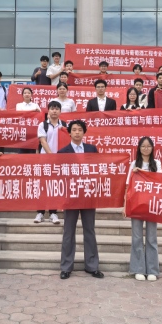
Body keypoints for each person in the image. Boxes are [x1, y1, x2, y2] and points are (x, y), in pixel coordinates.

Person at [58, 120, 103, 280]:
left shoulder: (92, 149)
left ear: (84, 132)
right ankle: (66, 267)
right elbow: (59, 175)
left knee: (89, 230)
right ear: (69, 133)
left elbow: (98, 169)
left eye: (80, 130)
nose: (77, 132)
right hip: (71, 196)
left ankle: (92, 266)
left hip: (88, 195)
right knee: (68, 231)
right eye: (74, 130)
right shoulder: (62, 152)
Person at [123, 136, 162, 281]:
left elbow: (161, 182)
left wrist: (145, 174)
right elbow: (128, 186)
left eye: (148, 146)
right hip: (136, 204)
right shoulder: (134, 164)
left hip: (152, 205)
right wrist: (125, 206)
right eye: (143, 146)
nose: (146, 149)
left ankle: (152, 270)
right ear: (139, 148)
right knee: (137, 237)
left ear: (152, 148)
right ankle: (138, 269)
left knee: (151, 238)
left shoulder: (157, 163)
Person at [34, 101, 66, 225]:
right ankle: (40, 213)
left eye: (57, 109)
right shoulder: (43, 125)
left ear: (60, 111)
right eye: (52, 108)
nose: (54, 111)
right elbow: (43, 141)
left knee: (55, 186)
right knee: (42, 186)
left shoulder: (64, 125)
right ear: (48, 111)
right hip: (45, 160)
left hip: (60, 161)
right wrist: (51, 156)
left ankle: (53, 213)